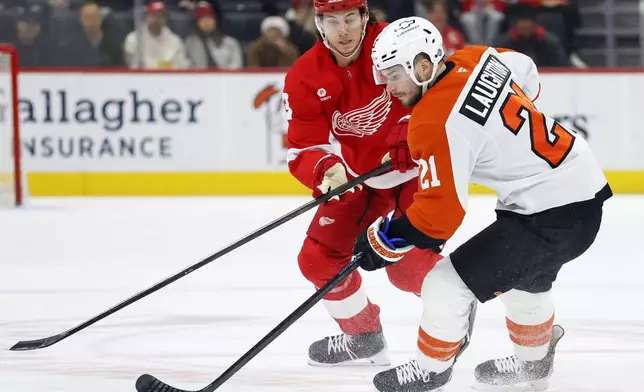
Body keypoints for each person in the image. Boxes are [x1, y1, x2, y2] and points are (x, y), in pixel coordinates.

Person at [352, 16, 612, 392]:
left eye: (393, 75)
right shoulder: (472, 57)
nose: (388, 87)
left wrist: (386, 239)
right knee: (527, 282)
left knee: (445, 283)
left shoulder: (431, 122)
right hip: (583, 190)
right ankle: (534, 363)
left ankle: (431, 368)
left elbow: (440, 216)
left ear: (423, 66)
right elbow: (526, 72)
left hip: (548, 212)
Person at [283, 0, 445, 367]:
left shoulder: (396, 42)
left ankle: (452, 315)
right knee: (317, 259)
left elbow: (439, 88)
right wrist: (326, 168)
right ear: (319, 23)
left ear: (365, 17)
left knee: (404, 266)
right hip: (362, 179)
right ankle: (363, 334)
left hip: (417, 172)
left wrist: (413, 134)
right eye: (333, 21)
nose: (344, 31)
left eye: (351, 19)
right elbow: (303, 145)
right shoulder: (306, 75)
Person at [123, 1, 189, 69]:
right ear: (146, 16)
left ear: (165, 19)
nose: (157, 20)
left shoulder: (175, 42)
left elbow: (182, 67)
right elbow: (132, 68)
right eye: (153, 15)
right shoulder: (134, 40)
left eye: (160, 16)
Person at [184, 1, 243, 69]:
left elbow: (236, 66)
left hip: (225, 78)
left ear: (215, 21)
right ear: (197, 23)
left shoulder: (231, 43)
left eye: (210, 18)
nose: (207, 22)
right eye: (202, 19)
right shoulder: (189, 43)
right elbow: (185, 65)